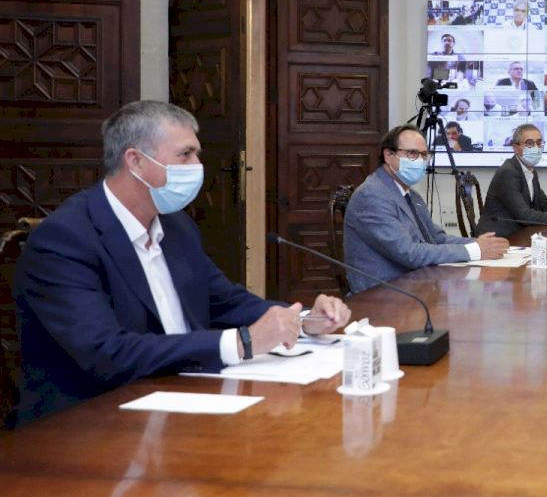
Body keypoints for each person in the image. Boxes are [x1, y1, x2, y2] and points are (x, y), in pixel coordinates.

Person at [13, 100, 352, 422]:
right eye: (185, 154)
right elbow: (107, 353)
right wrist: (242, 342)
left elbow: (224, 300)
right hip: (92, 420)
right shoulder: (65, 239)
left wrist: (303, 321)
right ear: (135, 161)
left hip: (183, 395)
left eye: (197, 154)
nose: (197, 166)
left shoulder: (176, 226)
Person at [343, 125, 507, 292]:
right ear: (388, 155)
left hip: (415, 285)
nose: (420, 161)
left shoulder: (411, 195)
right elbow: (409, 253)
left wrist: (480, 244)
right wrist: (474, 251)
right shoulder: (372, 195)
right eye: (412, 153)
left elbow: (435, 238)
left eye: (424, 155)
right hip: (381, 294)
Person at [476, 124, 547, 237]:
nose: (536, 148)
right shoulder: (508, 172)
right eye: (529, 143)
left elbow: (545, 205)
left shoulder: (530, 171)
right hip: (497, 237)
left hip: (519, 233)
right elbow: (524, 215)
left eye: (539, 143)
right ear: (516, 148)